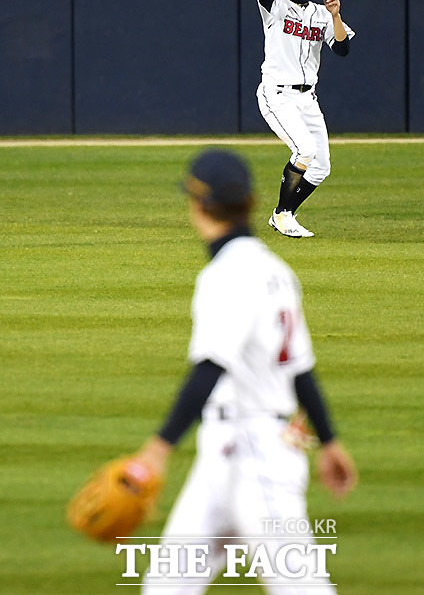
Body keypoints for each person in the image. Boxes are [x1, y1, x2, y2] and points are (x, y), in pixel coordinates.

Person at [134, 148, 358, 593]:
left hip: (257, 452)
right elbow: (300, 370)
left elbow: (210, 368)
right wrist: (329, 441)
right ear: (252, 204)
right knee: (165, 585)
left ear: (198, 206)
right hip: (223, 455)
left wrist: (156, 450)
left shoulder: (227, 274)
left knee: (302, 587)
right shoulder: (276, 270)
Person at [256, 0, 355, 238]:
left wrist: (336, 15)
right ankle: (282, 214)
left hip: (307, 99)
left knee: (320, 166)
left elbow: (342, 49)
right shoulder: (276, 7)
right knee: (305, 150)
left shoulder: (323, 14)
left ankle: (284, 213)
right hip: (278, 94)